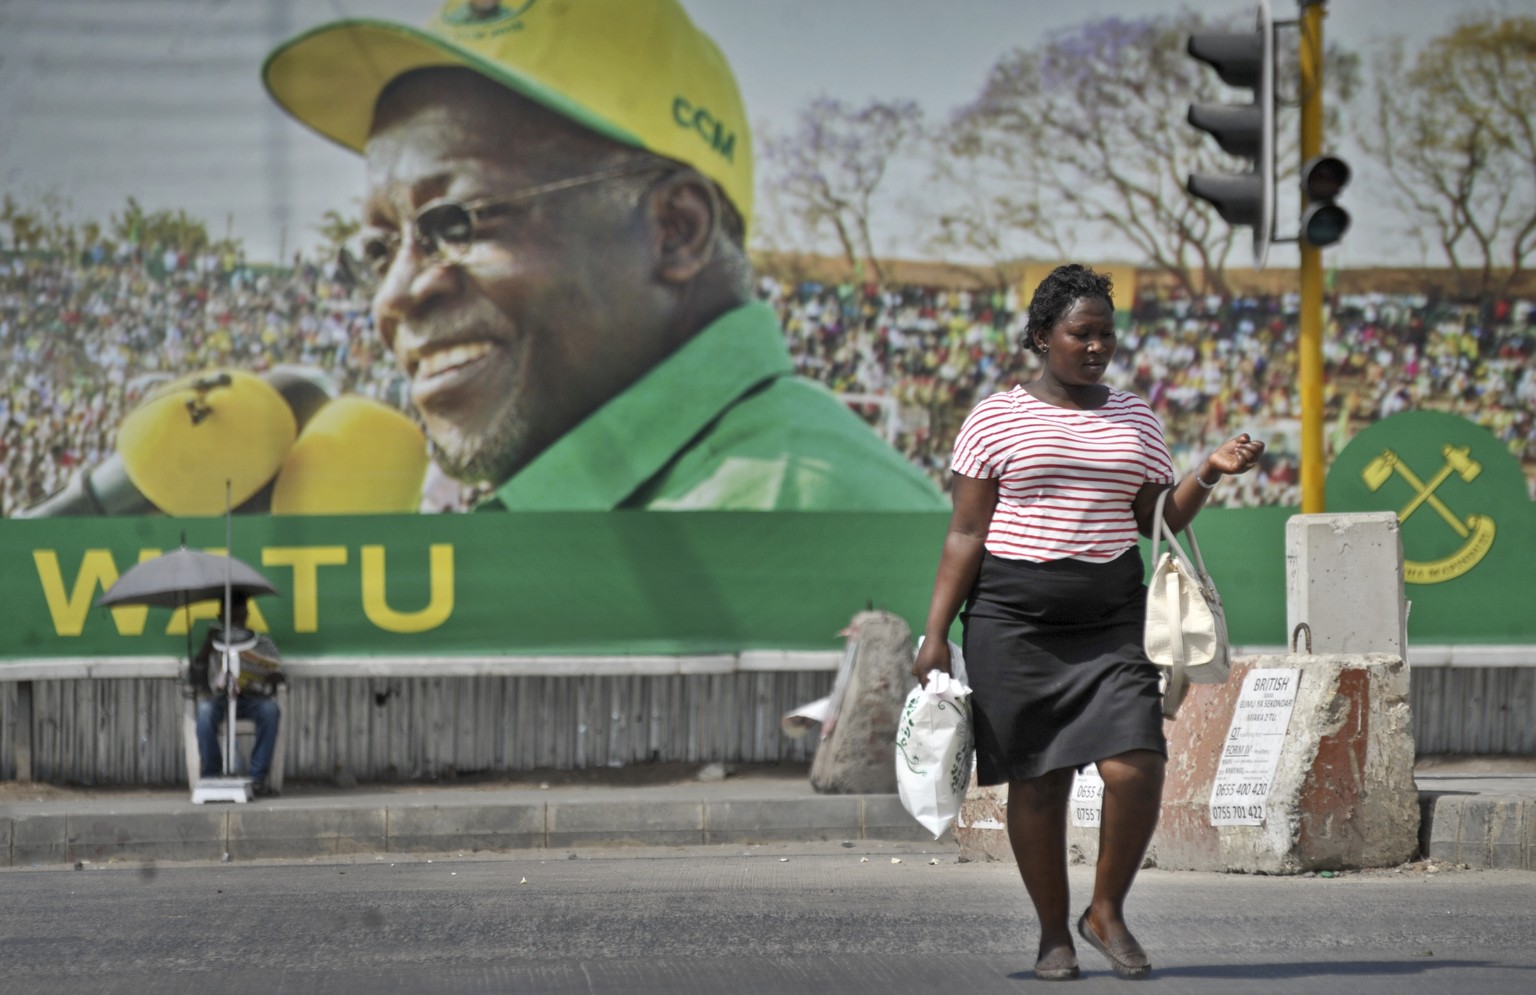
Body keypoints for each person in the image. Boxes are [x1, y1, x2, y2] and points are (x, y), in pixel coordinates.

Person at [260, 0, 946, 512]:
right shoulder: (606, 518)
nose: (393, 295)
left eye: (455, 220)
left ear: (674, 229)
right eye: (380, 249)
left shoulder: (819, 529)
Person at [911, 264, 1264, 981]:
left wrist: (1210, 470)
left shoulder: (1135, 416)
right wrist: (935, 631)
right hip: (1012, 621)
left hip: (1110, 618)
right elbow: (966, 531)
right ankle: (1052, 934)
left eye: (1107, 333)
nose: (1098, 345)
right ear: (1043, 336)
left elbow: (1152, 519)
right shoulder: (995, 417)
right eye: (1082, 332)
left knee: (1136, 762)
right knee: (1038, 781)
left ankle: (1106, 910)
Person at [191, 595, 285, 797]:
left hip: (252, 699)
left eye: (239, 617)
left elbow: (280, 674)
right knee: (204, 712)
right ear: (220, 616)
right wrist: (206, 647)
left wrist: (272, 677)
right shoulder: (213, 644)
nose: (235, 621)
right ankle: (211, 775)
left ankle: (256, 779)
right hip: (221, 700)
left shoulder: (263, 643)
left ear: (247, 616)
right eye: (230, 617)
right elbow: (196, 675)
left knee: (270, 711)